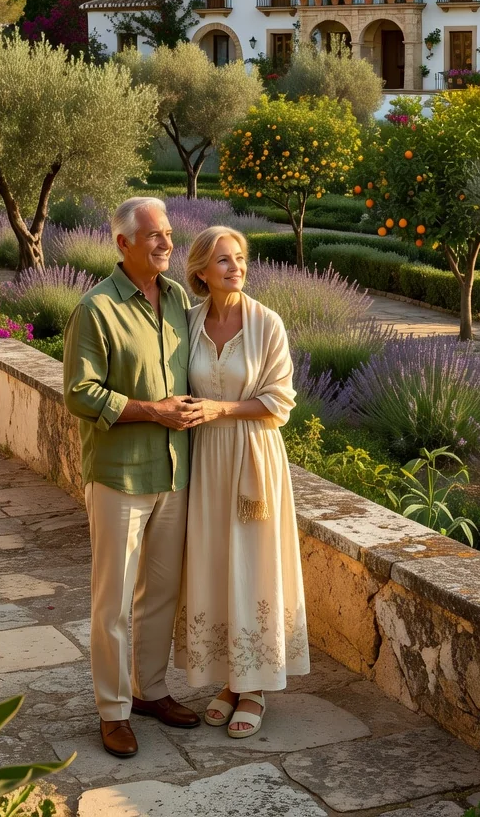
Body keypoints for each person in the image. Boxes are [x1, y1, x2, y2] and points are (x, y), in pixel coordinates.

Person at [63, 196, 203, 759]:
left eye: (168, 233)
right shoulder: (95, 309)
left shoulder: (177, 300)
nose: (167, 243)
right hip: (119, 476)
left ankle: (150, 691)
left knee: (161, 595)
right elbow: (78, 391)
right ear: (122, 244)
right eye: (153, 236)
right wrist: (155, 410)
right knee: (113, 601)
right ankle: (113, 710)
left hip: (175, 472)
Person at [174, 225, 310, 738]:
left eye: (241, 259)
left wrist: (220, 408)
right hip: (204, 461)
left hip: (253, 459)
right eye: (225, 261)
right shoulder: (186, 323)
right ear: (202, 271)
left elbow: (280, 400)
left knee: (252, 565)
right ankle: (227, 681)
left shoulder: (267, 323)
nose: (236, 268)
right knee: (212, 564)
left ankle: (254, 686)